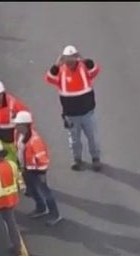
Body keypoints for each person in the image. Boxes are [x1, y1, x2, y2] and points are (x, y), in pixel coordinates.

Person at [44, 44, 102, 172]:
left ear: (76, 58)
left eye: (72, 58)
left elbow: (95, 69)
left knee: (92, 137)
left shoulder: (84, 69)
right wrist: (56, 65)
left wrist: (84, 60)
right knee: (74, 140)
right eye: (67, 59)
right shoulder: (61, 72)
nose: (69, 62)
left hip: (87, 113)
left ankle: (95, 158)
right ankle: (77, 159)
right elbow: (49, 77)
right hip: (71, 115)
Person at [0, 80, 32, 195]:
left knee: (22, 163)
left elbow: (26, 117)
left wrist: (24, 137)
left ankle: (28, 184)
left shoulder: (13, 104)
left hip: (15, 140)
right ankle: (19, 183)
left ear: (2, 94)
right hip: (1, 140)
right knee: (10, 163)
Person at [13, 111, 61, 226]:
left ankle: (55, 215)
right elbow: (19, 149)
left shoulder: (35, 141)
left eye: (18, 124)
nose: (16, 126)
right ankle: (41, 208)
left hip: (37, 171)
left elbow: (43, 159)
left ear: (26, 125)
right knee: (32, 190)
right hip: (26, 169)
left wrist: (42, 173)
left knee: (45, 192)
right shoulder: (18, 134)